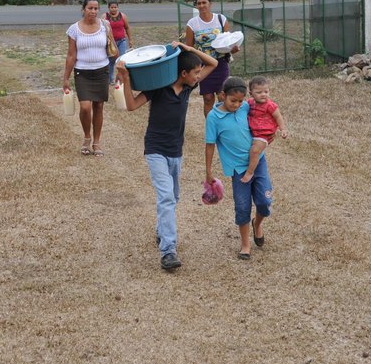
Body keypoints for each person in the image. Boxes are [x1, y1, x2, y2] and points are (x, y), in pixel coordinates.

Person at [116, 41, 218, 271]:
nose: (198, 77)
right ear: (184, 73)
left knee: (173, 197)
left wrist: (186, 48)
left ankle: (162, 229)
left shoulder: (189, 88)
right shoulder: (158, 87)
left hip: (176, 151)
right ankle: (168, 251)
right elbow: (131, 106)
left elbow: (212, 62)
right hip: (155, 150)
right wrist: (126, 78)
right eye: (195, 73)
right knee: (166, 198)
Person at [204, 76, 274, 261]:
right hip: (238, 169)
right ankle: (245, 244)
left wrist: (271, 132)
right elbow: (210, 144)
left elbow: (266, 106)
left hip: (258, 162)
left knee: (264, 203)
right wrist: (209, 171)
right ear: (222, 95)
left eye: (240, 101)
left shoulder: (246, 106)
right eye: (232, 100)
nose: (237, 105)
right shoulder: (213, 117)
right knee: (242, 206)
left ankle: (257, 224)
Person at [63, 0, 111, 156]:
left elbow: (113, 49)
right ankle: (86, 136)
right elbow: (71, 55)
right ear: (83, 9)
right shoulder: (74, 29)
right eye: (90, 8)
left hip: (102, 71)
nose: (93, 11)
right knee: (85, 107)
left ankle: (96, 142)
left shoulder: (105, 26)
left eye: (96, 8)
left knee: (98, 106)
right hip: (82, 72)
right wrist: (65, 78)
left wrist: (119, 70)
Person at [185, 0, 239, 116]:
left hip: (220, 63)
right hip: (204, 66)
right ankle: (211, 127)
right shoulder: (192, 24)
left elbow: (228, 42)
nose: (202, 5)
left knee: (222, 96)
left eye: (204, 2)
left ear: (210, 4)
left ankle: (224, 125)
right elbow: (189, 48)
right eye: (199, 3)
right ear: (196, 6)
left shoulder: (221, 19)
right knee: (208, 98)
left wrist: (233, 49)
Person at [240, 76, 288, 184]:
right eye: (259, 92)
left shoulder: (270, 105)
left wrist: (283, 129)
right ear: (251, 93)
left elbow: (278, 117)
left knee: (255, 150)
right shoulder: (250, 103)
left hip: (264, 134)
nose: (263, 94)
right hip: (253, 131)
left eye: (266, 91)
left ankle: (250, 172)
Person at [103, 1, 133, 83]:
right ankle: (110, 79)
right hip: (110, 43)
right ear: (109, 8)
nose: (113, 9)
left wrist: (130, 40)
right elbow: (101, 29)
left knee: (122, 59)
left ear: (118, 7)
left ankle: (122, 78)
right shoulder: (104, 17)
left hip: (122, 41)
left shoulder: (123, 16)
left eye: (115, 7)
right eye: (112, 7)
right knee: (111, 61)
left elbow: (127, 28)